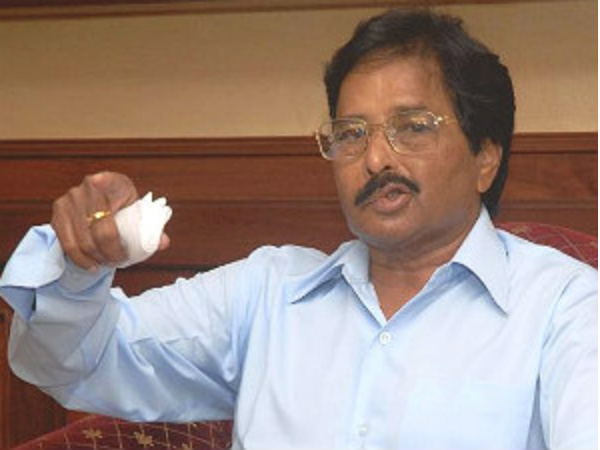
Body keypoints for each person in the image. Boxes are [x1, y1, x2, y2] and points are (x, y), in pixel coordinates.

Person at [0, 8, 597, 450]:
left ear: (485, 157)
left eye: (412, 126)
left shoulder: (565, 307)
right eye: (351, 133)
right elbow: (78, 359)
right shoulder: (268, 293)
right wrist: (79, 266)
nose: (375, 158)